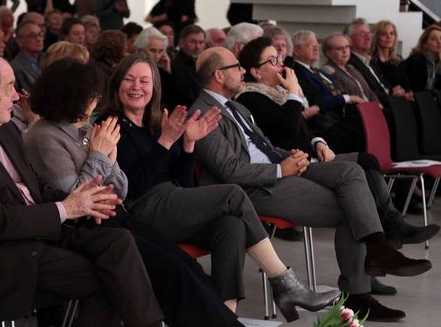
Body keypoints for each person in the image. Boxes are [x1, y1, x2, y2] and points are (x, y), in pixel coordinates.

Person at [0, 52, 164, 327]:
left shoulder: (6, 130)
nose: (16, 97)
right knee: (109, 276)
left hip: (37, 235)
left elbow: (36, 189)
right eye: (10, 88)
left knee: (118, 241)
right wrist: (67, 208)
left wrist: (84, 202)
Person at [190, 46, 433, 322]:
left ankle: (377, 249)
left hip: (280, 170)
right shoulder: (201, 114)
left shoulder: (238, 107)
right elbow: (229, 170)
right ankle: (360, 290)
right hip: (255, 189)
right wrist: (280, 170)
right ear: (219, 75)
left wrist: (292, 156)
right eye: (237, 67)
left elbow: (265, 146)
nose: (243, 70)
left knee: (353, 171)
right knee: (350, 209)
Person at [98, 53, 340, 321]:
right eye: (129, 80)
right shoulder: (110, 124)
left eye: (144, 81)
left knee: (231, 227)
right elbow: (130, 187)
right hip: (139, 211)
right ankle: (284, 282)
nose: (137, 87)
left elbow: (184, 182)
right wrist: (165, 143)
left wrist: (188, 145)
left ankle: (225, 317)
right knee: (232, 193)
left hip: (172, 201)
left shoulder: (157, 122)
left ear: (154, 87)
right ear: (117, 84)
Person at [24, 58, 245, 327]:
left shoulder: (80, 127)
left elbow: (120, 187)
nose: (96, 100)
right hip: (90, 228)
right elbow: (77, 201)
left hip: (117, 215)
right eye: (90, 95)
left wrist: (109, 158)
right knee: (172, 271)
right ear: (71, 97)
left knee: (187, 265)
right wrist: (99, 155)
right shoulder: (45, 137)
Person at [236, 37, 439, 250]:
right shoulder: (250, 98)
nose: (280, 65)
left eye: (278, 58)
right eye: (272, 61)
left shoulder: (279, 93)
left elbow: (304, 129)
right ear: (256, 72)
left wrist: (319, 142)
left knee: (366, 159)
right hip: (294, 164)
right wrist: (294, 94)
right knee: (354, 188)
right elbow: (284, 131)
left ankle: (393, 225)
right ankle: (385, 239)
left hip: (311, 154)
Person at [291, 30, 365, 154]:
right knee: (357, 132)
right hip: (321, 123)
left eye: (316, 45)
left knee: (366, 124)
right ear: (296, 50)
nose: (316, 48)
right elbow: (318, 102)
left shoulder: (316, 71)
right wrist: (346, 98)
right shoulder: (298, 72)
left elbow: (335, 91)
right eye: (310, 45)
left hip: (336, 116)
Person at [344, 19, 391, 104]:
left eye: (369, 34)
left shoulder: (370, 60)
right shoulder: (349, 62)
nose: (368, 37)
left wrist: (394, 90)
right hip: (378, 104)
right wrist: (393, 96)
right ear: (349, 40)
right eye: (362, 34)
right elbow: (367, 92)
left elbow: (382, 84)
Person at [321, 33, 379, 103]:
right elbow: (341, 96)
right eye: (339, 48)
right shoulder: (328, 70)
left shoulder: (352, 68)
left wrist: (377, 104)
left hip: (370, 108)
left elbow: (369, 91)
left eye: (347, 47)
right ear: (328, 53)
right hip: (353, 111)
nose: (345, 51)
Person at [134, 27, 176, 110]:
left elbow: (173, 99)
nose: (157, 56)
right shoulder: (130, 70)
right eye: (152, 50)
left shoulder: (161, 71)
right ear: (140, 50)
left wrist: (167, 72)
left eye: (160, 51)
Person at [370, 20, 409, 99]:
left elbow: (407, 84)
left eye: (392, 33)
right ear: (376, 37)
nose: (389, 37)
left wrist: (402, 90)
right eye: (384, 34)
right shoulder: (370, 61)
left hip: (401, 99)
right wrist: (392, 91)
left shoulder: (399, 60)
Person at [170, 24, 206, 107]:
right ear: (181, 43)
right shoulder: (176, 66)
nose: (198, 47)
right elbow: (187, 98)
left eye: (201, 42)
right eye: (193, 42)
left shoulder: (205, 63)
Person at [401, 24, 441, 92]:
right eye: (434, 39)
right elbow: (417, 90)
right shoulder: (415, 60)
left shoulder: (438, 63)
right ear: (424, 44)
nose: (439, 42)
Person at [10, 21, 44, 92]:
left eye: (40, 34)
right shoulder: (15, 67)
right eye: (33, 36)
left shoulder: (48, 57)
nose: (39, 39)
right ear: (20, 41)